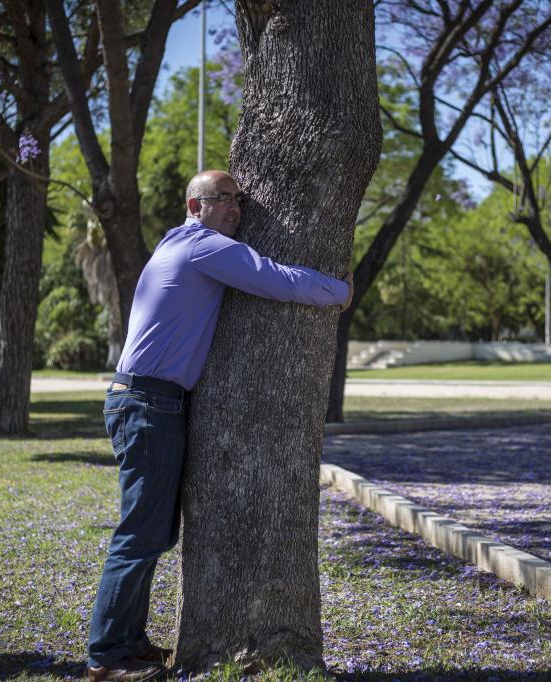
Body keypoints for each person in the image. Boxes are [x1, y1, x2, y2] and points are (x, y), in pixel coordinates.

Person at [87, 170, 353, 682]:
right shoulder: (201, 246)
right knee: (140, 534)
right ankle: (105, 657)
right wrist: (339, 291)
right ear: (195, 205)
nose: (235, 208)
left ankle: (128, 640)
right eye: (222, 198)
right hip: (147, 402)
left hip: (150, 401)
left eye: (238, 200)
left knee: (154, 532)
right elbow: (276, 277)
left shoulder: (180, 244)